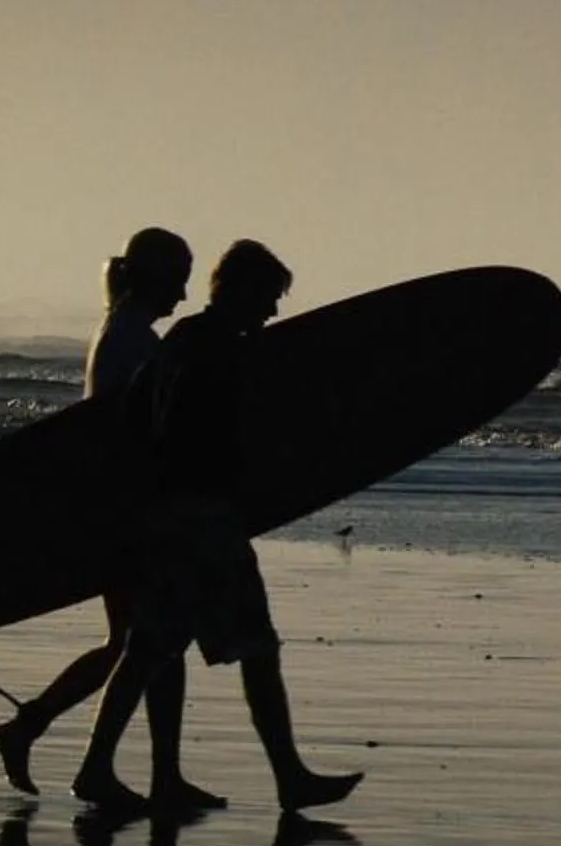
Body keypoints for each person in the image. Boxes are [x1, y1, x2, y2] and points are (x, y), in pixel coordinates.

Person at [69, 239, 364, 816]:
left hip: (165, 515)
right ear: (244, 292)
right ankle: (290, 778)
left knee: (148, 646)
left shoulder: (179, 343)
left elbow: (130, 419)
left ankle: (96, 766)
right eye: (271, 298)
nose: (274, 312)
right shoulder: (217, 352)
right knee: (255, 646)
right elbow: (215, 434)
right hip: (203, 519)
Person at [0, 227, 195, 793]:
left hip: (115, 508)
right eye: (178, 279)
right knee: (151, 641)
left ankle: (34, 730)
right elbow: (132, 434)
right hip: (125, 512)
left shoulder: (124, 329)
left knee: (137, 642)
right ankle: (122, 769)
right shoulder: (131, 339)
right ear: (152, 277)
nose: (183, 295)